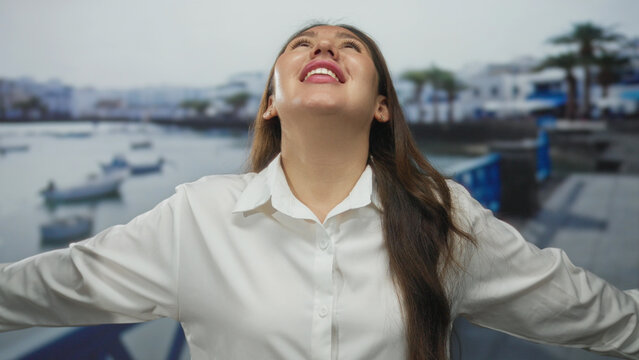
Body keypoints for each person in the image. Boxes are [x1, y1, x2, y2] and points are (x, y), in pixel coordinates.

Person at [0, 23, 637, 360]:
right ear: (270, 103)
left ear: (382, 106)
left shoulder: (442, 218)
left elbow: (597, 315)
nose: (323, 44)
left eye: (348, 45)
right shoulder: (196, 215)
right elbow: (48, 286)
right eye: (302, 44)